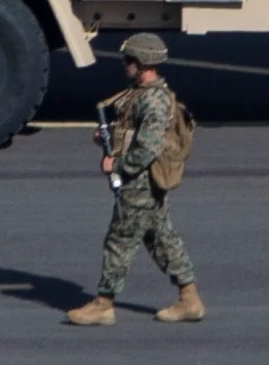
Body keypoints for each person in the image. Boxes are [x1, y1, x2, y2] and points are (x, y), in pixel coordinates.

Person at [66, 33, 204, 326]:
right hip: (143, 181)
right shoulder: (139, 93)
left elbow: (147, 149)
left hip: (141, 182)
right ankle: (189, 298)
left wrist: (116, 164)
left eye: (129, 60)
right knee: (161, 239)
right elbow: (131, 131)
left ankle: (103, 304)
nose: (125, 65)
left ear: (143, 63)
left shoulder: (153, 102)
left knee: (120, 240)